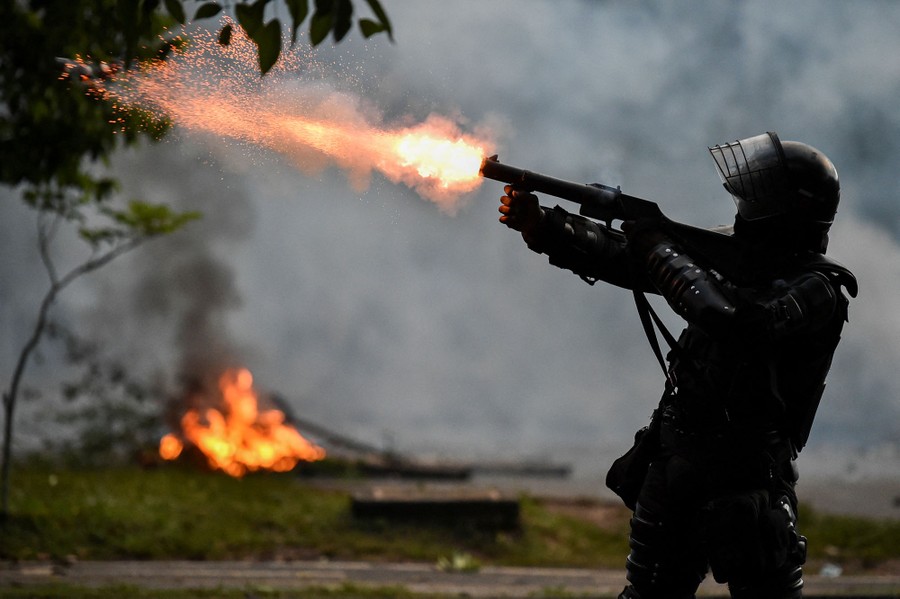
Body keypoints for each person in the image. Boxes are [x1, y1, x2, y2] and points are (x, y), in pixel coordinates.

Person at [498, 132, 857, 599]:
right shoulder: (734, 254)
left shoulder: (818, 289)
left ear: (784, 208)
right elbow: (628, 259)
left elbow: (730, 317)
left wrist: (656, 243)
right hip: (675, 466)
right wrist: (546, 227)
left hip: (748, 483)